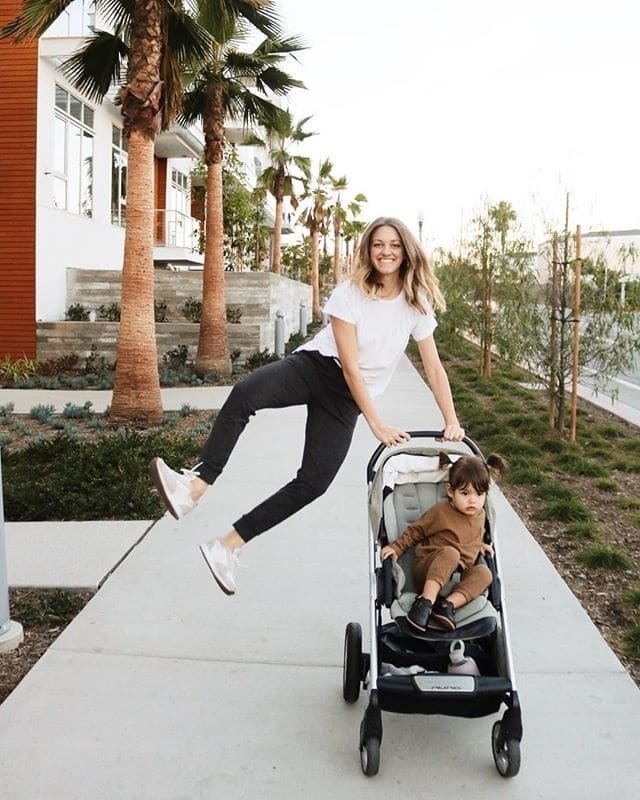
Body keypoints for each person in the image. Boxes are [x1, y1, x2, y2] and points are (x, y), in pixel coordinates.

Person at [149, 216, 465, 596]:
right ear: (368, 249)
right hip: (316, 368)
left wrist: (452, 421)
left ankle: (227, 546)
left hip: (346, 399)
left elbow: (433, 366)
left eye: (394, 245)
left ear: (406, 251)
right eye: (379, 244)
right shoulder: (351, 293)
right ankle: (195, 485)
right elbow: (349, 366)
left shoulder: (415, 304)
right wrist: (376, 423)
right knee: (245, 393)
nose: (386, 251)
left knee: (314, 482)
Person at [380, 452, 507, 631]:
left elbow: (472, 534)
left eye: (479, 494)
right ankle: (424, 603)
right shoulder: (441, 512)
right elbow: (416, 531)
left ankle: (447, 606)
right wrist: (396, 547)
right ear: (450, 491)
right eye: (465, 493)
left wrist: (480, 545)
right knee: (451, 553)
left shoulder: (480, 515)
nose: (473, 500)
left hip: (457, 578)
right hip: (429, 569)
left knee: (485, 574)